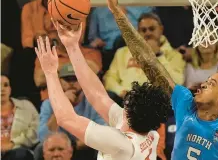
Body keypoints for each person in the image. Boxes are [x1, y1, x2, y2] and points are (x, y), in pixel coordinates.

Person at [98, 0, 218, 159]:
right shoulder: (185, 103)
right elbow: (148, 61)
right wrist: (118, 14)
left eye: (211, 84)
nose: (203, 84)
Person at [35, 35, 171, 160]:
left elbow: (65, 118)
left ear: (130, 113)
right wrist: (72, 46)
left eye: (127, 104)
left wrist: (50, 73)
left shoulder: (120, 143)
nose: (124, 106)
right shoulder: (151, 134)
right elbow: (97, 96)